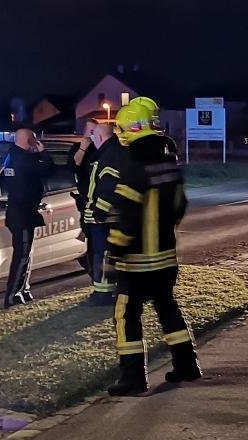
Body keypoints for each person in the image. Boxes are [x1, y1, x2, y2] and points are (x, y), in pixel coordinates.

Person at [88, 97, 200, 396]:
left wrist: (113, 253)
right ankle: (187, 366)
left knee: (125, 315)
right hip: (165, 259)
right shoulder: (170, 163)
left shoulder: (134, 166)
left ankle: (133, 378)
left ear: (131, 129)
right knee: (167, 308)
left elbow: (126, 216)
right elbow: (179, 206)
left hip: (136, 263)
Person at [2, 128, 54, 307]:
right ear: (30, 141)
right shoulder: (23, 159)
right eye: (34, 139)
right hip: (23, 215)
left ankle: (22, 290)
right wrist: (43, 152)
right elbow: (47, 170)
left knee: (25, 253)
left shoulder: (12, 157)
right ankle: (13, 294)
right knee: (23, 255)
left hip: (19, 213)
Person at [72, 121, 118, 306]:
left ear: (98, 136)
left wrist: (98, 212)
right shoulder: (111, 151)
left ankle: (103, 294)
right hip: (103, 215)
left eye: (93, 134)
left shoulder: (108, 155)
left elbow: (108, 186)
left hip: (103, 217)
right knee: (102, 254)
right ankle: (103, 291)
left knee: (103, 254)